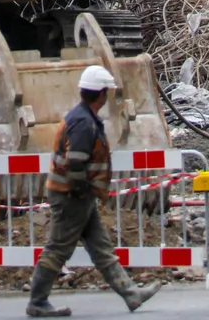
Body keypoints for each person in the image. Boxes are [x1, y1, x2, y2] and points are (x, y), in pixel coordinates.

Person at [25, 65, 159, 318]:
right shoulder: (83, 123)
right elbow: (75, 162)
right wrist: (81, 189)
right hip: (70, 195)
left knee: (100, 247)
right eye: (106, 91)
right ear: (100, 94)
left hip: (77, 194)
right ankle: (37, 301)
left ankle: (130, 294)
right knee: (57, 248)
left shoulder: (84, 117)